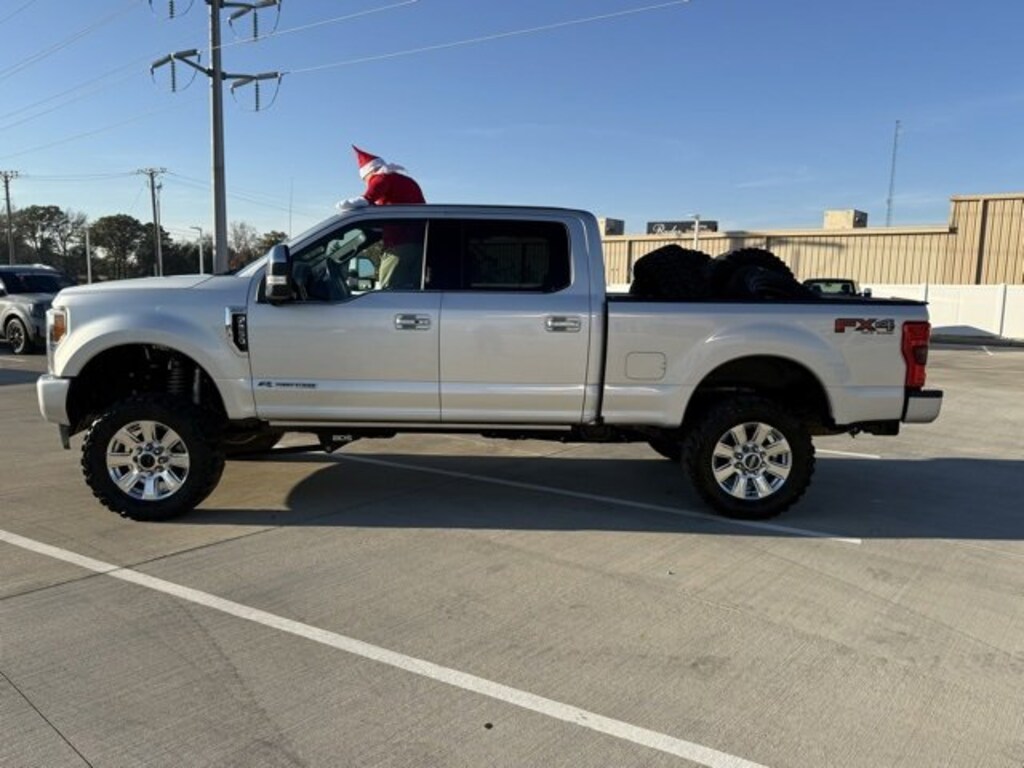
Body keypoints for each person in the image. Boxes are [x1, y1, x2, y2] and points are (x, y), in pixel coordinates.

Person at [337, 146, 426, 288]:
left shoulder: (381, 177)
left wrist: (342, 206)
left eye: (365, 179)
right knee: (412, 289)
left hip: (399, 245)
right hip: (421, 243)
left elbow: (366, 199)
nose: (366, 183)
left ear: (370, 172)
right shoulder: (406, 181)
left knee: (389, 291)